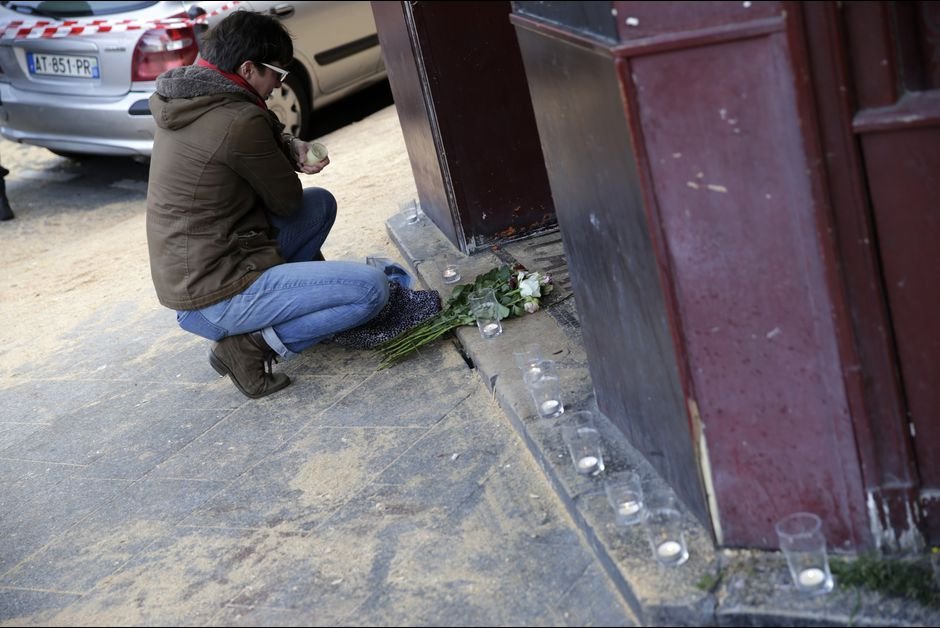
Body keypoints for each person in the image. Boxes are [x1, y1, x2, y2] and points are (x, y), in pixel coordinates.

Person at [146, 11, 389, 399]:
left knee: (320, 205)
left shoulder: (189, 95)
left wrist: (288, 146)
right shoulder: (238, 119)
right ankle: (249, 347)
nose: (279, 84)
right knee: (371, 291)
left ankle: (291, 311)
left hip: (201, 272)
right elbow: (287, 201)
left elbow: (249, 139)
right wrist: (290, 159)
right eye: (277, 72)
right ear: (246, 67)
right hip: (217, 294)